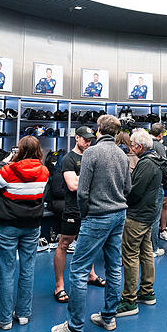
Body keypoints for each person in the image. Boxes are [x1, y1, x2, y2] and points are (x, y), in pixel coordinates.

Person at [52, 115, 131, 332]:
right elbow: (127, 187)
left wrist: (86, 213)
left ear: (99, 130)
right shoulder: (122, 155)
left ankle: (74, 328)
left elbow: (83, 191)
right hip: (119, 215)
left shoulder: (91, 153)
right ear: (115, 132)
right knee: (114, 267)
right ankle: (108, 318)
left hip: (96, 216)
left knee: (78, 270)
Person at [0, 136, 49, 331]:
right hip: (32, 226)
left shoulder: (8, 170)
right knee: (28, 270)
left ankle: (4, 319)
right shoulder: (44, 171)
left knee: (7, 272)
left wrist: (3, 163)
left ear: (19, 150)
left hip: (8, 226)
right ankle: (24, 314)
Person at [53, 127, 106, 304]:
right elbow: (73, 185)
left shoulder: (93, 156)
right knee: (64, 243)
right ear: (77, 138)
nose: (88, 142)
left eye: (91, 139)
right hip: (73, 208)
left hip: (91, 208)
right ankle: (59, 286)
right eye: (85, 139)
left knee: (89, 242)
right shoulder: (69, 158)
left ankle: (91, 275)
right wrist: (93, 184)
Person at [116, 129, 163, 317]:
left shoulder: (146, 164)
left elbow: (136, 191)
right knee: (145, 253)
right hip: (148, 213)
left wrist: (124, 198)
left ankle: (129, 300)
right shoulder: (156, 160)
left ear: (140, 146)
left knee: (130, 255)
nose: (132, 148)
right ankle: (146, 291)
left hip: (137, 215)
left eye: (133, 145)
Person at [149, 123, 167, 256]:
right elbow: (163, 165)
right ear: (161, 134)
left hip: (143, 186)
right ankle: (153, 249)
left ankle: (145, 248)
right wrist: (166, 178)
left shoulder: (144, 142)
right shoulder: (159, 145)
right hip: (156, 185)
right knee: (154, 218)